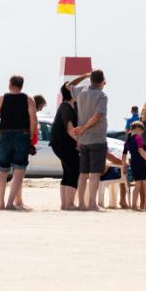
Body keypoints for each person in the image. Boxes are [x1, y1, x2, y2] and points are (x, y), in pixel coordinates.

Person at [0, 74, 37, 211]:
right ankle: (10, 202)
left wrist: (0, 133)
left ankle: (1, 203)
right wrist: (30, 136)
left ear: (10, 84)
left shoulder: (2, 98)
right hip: (22, 134)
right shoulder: (28, 99)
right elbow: (33, 120)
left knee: (2, 171)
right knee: (19, 171)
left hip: (6, 135)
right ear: (22, 86)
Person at [72, 69, 111, 211]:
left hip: (83, 140)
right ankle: (92, 204)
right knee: (95, 173)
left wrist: (84, 75)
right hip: (97, 138)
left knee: (83, 173)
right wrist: (83, 128)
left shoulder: (81, 90)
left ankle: (81, 203)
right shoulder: (102, 95)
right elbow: (98, 115)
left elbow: (67, 86)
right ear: (102, 81)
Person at [52, 75, 86, 210]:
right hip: (64, 144)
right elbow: (69, 128)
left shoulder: (68, 105)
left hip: (60, 144)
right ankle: (70, 204)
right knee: (73, 170)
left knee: (68, 172)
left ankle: (65, 204)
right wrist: (80, 142)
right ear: (71, 92)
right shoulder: (67, 107)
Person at [123, 121, 146, 211]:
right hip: (140, 163)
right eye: (142, 131)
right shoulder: (138, 138)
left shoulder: (128, 140)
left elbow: (124, 155)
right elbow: (141, 150)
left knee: (137, 185)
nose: (142, 133)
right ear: (137, 129)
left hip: (133, 164)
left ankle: (133, 205)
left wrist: (123, 166)